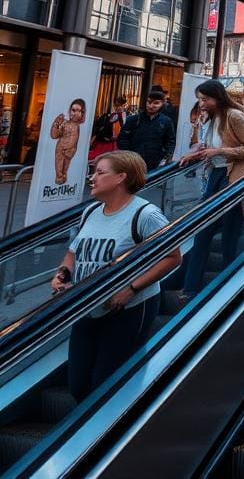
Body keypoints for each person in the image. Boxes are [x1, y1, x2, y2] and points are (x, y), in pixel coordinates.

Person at [51, 150, 181, 400]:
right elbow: (73, 252)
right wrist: (62, 274)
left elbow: (173, 256)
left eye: (100, 172)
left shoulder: (145, 214)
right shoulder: (90, 212)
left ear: (122, 177)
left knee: (107, 385)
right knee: (78, 385)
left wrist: (130, 289)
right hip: (86, 305)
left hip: (128, 309)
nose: (92, 178)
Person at [178, 80, 244, 298]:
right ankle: (190, 286)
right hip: (215, 176)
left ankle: (228, 281)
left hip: (233, 177)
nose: (201, 104)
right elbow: (208, 147)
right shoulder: (211, 118)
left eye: (205, 99)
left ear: (218, 97)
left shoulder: (234, 115)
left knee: (229, 233)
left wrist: (219, 152)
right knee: (203, 230)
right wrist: (194, 154)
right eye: (200, 99)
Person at [117, 91, 176, 171]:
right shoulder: (133, 120)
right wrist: (127, 156)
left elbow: (170, 141)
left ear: (162, 104)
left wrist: (166, 158)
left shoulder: (166, 121)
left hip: (156, 163)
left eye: (156, 103)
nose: (151, 106)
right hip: (132, 162)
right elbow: (122, 139)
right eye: (149, 102)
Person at [51, 99, 86, 185]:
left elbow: (76, 140)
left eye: (79, 111)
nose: (75, 113)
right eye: (73, 110)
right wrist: (56, 124)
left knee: (65, 170)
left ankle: (62, 181)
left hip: (70, 150)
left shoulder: (78, 125)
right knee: (59, 170)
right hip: (61, 148)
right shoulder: (64, 123)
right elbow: (54, 135)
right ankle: (59, 180)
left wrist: (73, 149)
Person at [89, 96, 127, 160]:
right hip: (102, 142)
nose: (119, 107)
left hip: (112, 144)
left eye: (121, 106)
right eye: (117, 106)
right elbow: (100, 130)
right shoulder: (108, 116)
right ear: (114, 106)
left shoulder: (123, 115)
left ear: (124, 106)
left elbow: (122, 124)